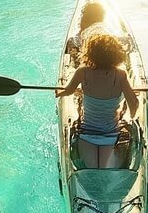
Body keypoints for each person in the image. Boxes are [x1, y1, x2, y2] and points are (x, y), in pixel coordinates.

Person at [56, 31, 139, 169]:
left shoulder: (82, 72)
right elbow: (133, 103)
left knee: (92, 169)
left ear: (90, 53)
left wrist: (60, 92)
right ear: (115, 54)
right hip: (111, 134)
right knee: (105, 171)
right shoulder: (121, 75)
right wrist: (132, 117)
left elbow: (68, 91)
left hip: (86, 134)